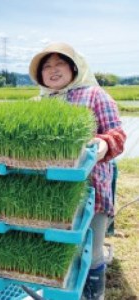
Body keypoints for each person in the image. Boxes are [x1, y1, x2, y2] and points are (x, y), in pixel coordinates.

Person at [29, 42, 127, 300]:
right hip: (48, 189)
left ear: (74, 67)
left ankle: (94, 293)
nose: (53, 70)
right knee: (58, 244)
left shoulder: (95, 95)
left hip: (90, 187)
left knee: (91, 248)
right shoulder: (37, 102)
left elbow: (117, 134)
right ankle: (63, 289)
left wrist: (105, 143)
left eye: (59, 64)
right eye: (46, 67)